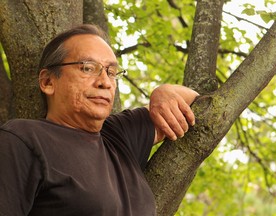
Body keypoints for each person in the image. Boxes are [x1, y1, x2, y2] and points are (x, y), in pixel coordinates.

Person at [0, 24, 198, 216]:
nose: (105, 82)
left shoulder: (119, 136)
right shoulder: (22, 139)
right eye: (87, 68)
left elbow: (199, 103)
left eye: (111, 73)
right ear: (48, 81)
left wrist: (164, 92)